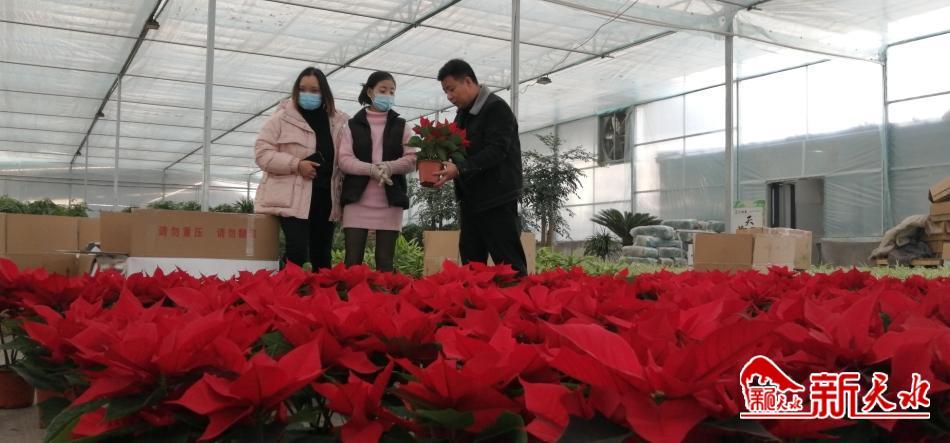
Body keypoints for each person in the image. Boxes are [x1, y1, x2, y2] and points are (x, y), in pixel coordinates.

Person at [431, 59, 528, 276]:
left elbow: (497, 150)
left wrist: (460, 168)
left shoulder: (496, 108)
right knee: (471, 263)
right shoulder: (463, 113)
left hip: (497, 199)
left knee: (508, 263)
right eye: (446, 91)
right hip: (471, 199)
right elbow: (457, 147)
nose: (449, 96)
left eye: (451, 89)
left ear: (468, 81)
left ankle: (518, 296)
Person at [254, 67, 349, 270]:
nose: (308, 94)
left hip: (324, 198)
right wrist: (296, 165)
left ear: (324, 93)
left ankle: (320, 291)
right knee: (296, 252)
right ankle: (288, 287)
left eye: (314, 90)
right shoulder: (281, 119)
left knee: (322, 256)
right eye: (303, 89)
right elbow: (262, 154)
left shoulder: (337, 122)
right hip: (292, 197)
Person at [337, 71, 416, 272]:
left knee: (385, 261)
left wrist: (389, 167)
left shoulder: (402, 125)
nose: (388, 95)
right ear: (370, 92)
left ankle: (383, 293)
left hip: (390, 201)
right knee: (352, 261)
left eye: (392, 91)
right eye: (383, 90)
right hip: (357, 200)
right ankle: (352, 293)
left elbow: (412, 159)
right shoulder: (352, 125)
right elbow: (344, 160)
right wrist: (370, 169)